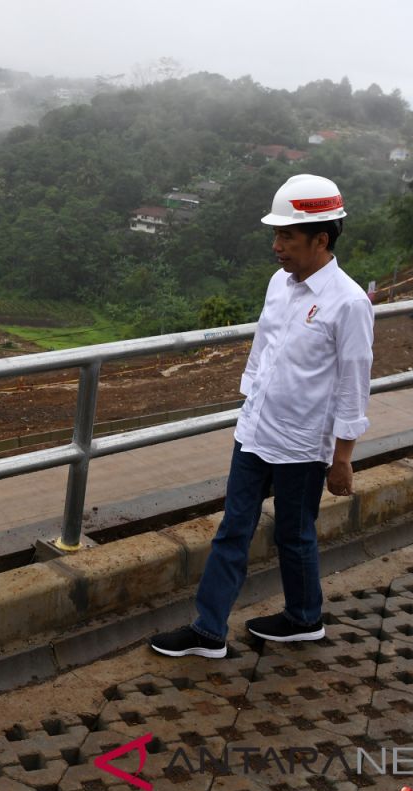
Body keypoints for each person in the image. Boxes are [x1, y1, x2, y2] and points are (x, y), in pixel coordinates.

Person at [149, 174, 374, 658]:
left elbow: (353, 384)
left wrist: (343, 457)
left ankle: (304, 617)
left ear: (321, 238)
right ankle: (209, 631)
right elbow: (263, 350)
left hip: (302, 444)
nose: (277, 246)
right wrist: (247, 401)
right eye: (275, 235)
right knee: (233, 528)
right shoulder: (279, 283)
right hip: (254, 434)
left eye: (287, 236)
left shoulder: (349, 303)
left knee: (294, 535)